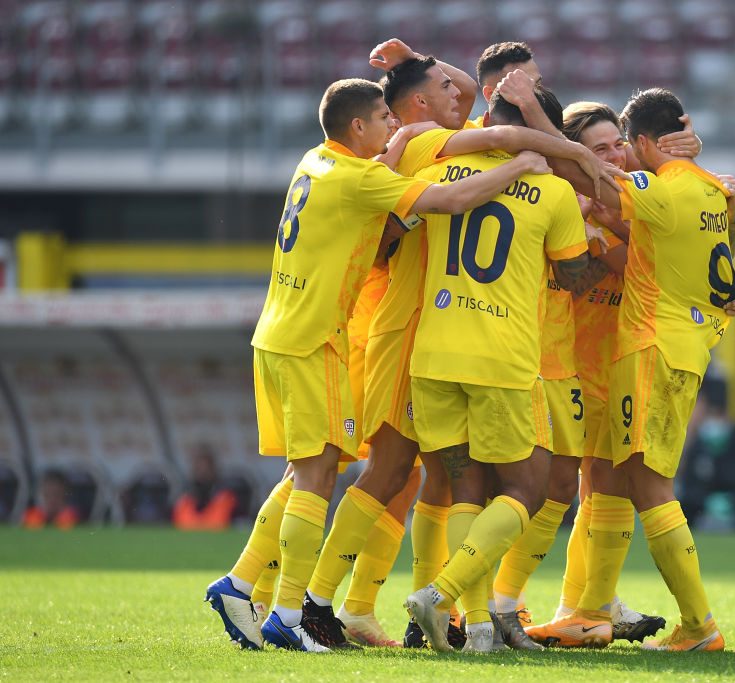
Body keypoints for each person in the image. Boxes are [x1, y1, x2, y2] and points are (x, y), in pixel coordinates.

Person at [204, 75, 556, 653]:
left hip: (285, 330)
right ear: (363, 125)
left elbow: (447, 112)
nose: (401, 128)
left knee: (364, 473)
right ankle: (301, 607)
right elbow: (450, 196)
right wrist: (524, 164)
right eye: (391, 120)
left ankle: (258, 588)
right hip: (337, 336)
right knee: (350, 472)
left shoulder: (316, 158)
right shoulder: (380, 168)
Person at [403, 85, 617, 654]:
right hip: (501, 359)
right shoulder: (550, 191)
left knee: (465, 489)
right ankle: (441, 594)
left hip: (433, 354)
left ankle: (476, 631)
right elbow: (571, 279)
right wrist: (598, 240)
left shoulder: (443, 162)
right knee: (527, 488)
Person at [533, 87, 735, 652]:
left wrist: (531, 117)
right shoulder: (714, 188)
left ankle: (699, 626)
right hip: (684, 346)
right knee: (613, 479)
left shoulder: (659, 189)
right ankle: (589, 613)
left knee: (647, 485)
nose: (619, 154)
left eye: (625, 145)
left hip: (652, 346)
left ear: (645, 143)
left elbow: (602, 184)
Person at [674, 378, 735, 531]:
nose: (713, 422)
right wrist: (704, 503)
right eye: (709, 415)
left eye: (717, 415)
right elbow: (688, 494)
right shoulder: (698, 446)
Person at [172, 446, 238, 531]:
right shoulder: (183, 502)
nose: (202, 473)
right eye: (198, 468)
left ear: (214, 470)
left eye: (206, 468)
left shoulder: (227, 500)